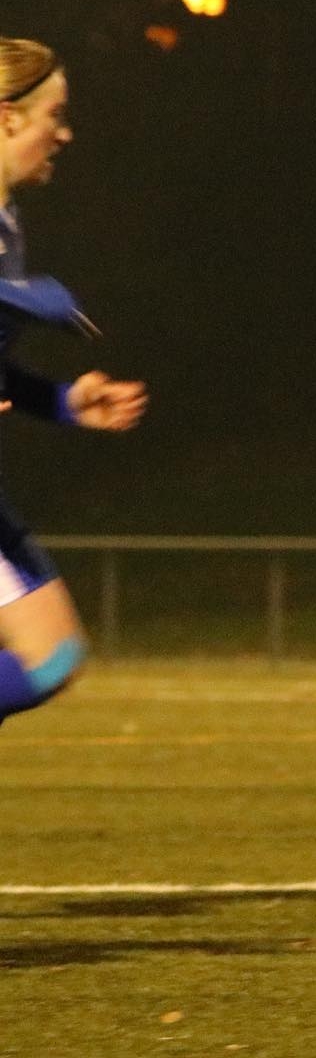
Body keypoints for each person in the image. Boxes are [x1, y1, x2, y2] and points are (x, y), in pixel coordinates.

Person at [0, 37, 147, 728]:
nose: (65, 133)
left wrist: (61, 401)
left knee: (54, 654)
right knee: (46, 656)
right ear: (7, 118)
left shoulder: (7, 225)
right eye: (54, 115)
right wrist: (28, 296)